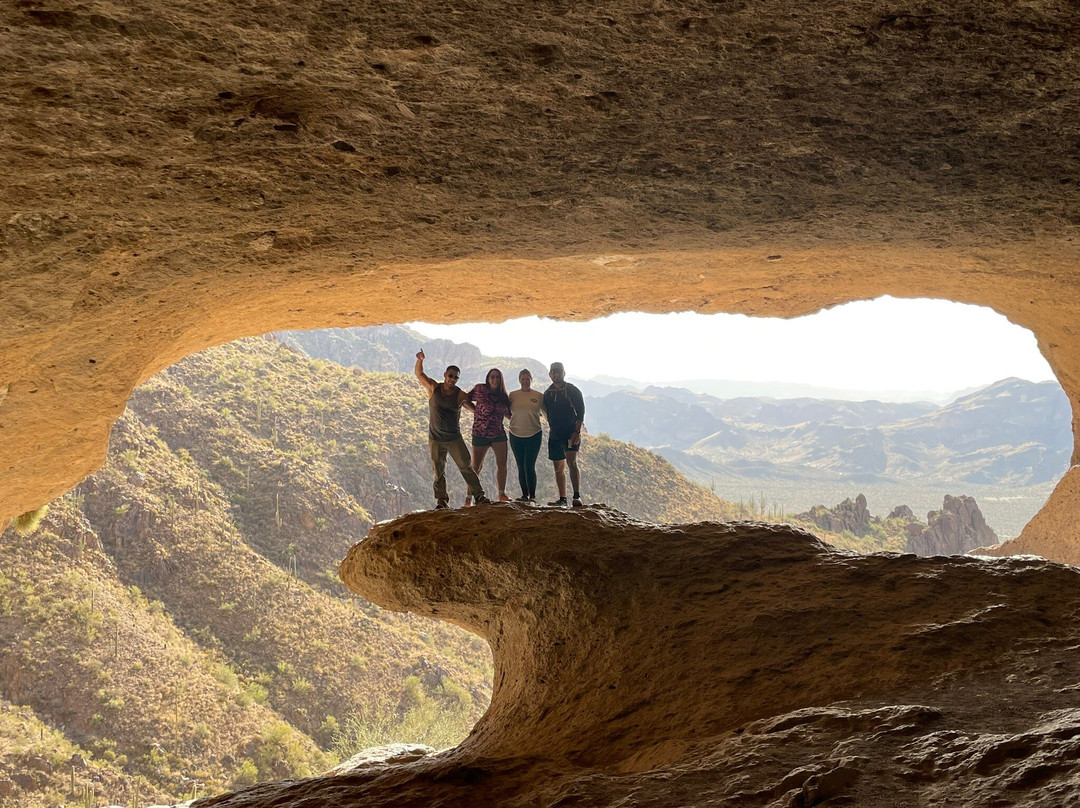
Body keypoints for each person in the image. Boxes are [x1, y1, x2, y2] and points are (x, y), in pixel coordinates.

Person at [413, 350, 488, 509]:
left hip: (454, 438)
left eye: (455, 377)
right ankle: (441, 501)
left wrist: (485, 410)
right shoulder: (434, 388)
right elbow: (419, 374)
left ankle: (479, 496)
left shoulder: (460, 395)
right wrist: (420, 360)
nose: (452, 379)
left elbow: (472, 408)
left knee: (466, 467)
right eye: (450, 375)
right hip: (435, 438)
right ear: (445, 374)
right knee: (438, 471)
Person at [466, 368, 512, 504]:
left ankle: (501, 494)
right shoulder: (480, 389)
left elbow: (509, 415)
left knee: (502, 464)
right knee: (476, 467)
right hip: (480, 433)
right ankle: (469, 498)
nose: (495, 379)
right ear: (488, 378)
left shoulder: (504, 396)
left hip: (498, 433)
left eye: (498, 377)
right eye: (492, 376)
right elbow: (464, 399)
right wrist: (474, 411)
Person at [543, 361, 585, 507]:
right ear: (550, 374)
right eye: (553, 372)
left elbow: (581, 413)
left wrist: (577, 432)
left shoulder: (572, 390)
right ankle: (562, 499)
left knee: (572, 463)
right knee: (558, 468)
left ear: (564, 373)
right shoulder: (548, 393)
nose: (556, 374)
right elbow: (546, 412)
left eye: (558, 371)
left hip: (570, 433)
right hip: (555, 434)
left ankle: (576, 496)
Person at [508, 368, 544, 502]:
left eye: (527, 378)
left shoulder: (538, 396)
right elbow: (505, 410)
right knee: (520, 466)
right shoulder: (512, 395)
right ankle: (524, 495)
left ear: (531, 380)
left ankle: (533, 496)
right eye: (522, 379)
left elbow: (547, 413)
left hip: (534, 434)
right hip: (515, 434)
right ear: (519, 380)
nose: (525, 381)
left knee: (529, 465)